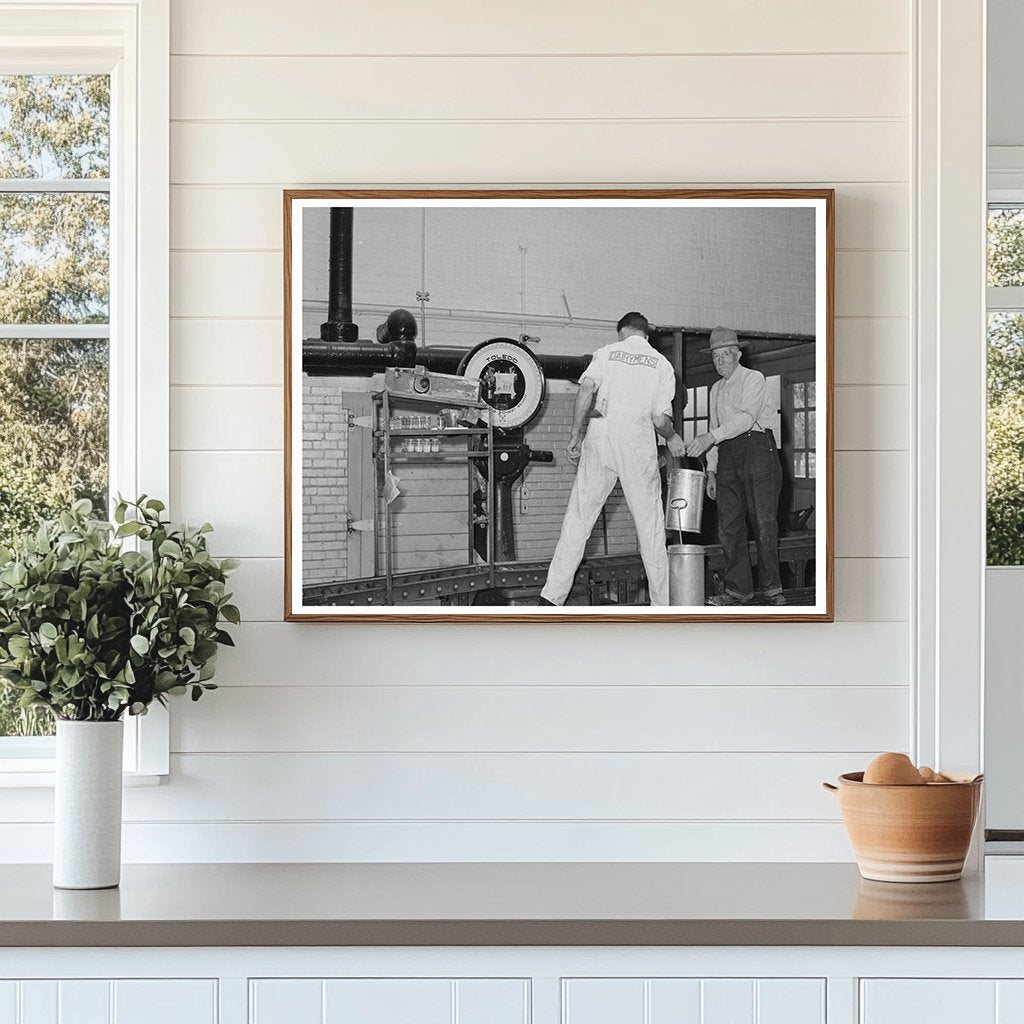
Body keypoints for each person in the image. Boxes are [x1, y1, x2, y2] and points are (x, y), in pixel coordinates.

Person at [539, 312, 686, 606]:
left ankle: (551, 599)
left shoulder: (607, 353)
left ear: (621, 332)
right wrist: (672, 438)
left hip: (601, 439)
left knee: (578, 520)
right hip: (637, 444)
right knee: (650, 529)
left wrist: (575, 435)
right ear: (646, 335)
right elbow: (659, 420)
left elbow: (586, 389)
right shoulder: (662, 364)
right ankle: (662, 608)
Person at [685, 326, 784, 606]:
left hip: (758, 452)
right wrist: (712, 472)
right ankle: (737, 590)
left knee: (764, 524)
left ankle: (772, 589)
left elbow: (745, 418)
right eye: (716, 357)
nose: (720, 362)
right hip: (727, 455)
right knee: (729, 527)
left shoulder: (754, 379)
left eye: (726, 355)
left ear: (737, 355)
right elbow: (717, 430)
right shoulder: (715, 390)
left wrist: (708, 438)